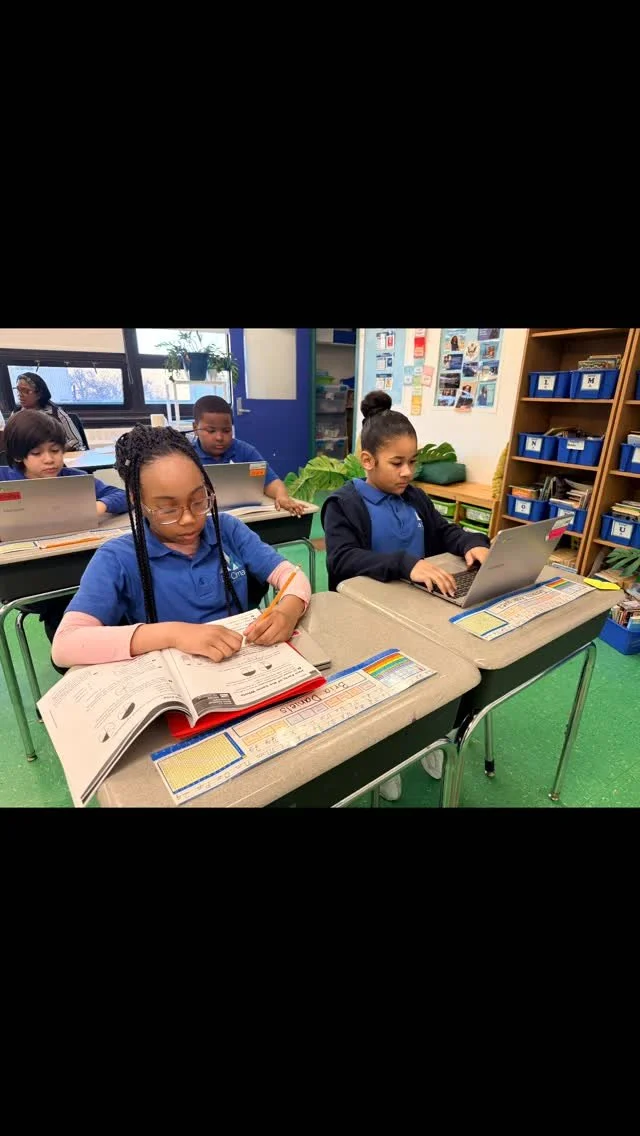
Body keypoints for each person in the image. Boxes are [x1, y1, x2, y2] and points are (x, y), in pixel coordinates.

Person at [321, 391, 490, 801]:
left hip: (419, 612)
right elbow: (342, 561)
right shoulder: (343, 504)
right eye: (397, 463)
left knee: (444, 668)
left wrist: (472, 543)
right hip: (366, 619)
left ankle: (432, 737)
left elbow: (444, 532)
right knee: (387, 687)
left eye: (412, 461)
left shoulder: (414, 497)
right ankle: (388, 757)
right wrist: (403, 563)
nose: (408, 472)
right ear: (367, 460)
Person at [51, 425, 311, 670]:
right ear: (136, 500)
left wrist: (288, 610)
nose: (188, 519)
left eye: (199, 501)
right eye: (168, 509)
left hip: (243, 665)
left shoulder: (227, 530)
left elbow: (291, 575)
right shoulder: (117, 558)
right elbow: (64, 645)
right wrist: (175, 634)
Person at [0, 411, 127, 643]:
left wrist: (96, 507)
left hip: (73, 569)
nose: (49, 459)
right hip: (27, 575)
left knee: (105, 591)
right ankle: (71, 645)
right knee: (64, 606)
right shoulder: (5, 481)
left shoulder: (73, 478)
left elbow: (123, 496)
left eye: (56, 450)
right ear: (18, 455)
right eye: (37, 453)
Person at [190, 396, 304, 516]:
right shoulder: (186, 456)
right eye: (211, 431)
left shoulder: (244, 451)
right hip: (203, 516)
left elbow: (270, 481)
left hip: (246, 516)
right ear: (195, 428)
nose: (219, 437)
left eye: (226, 431)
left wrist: (281, 496)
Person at [13, 373, 85, 451]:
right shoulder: (16, 414)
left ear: (39, 394)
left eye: (26, 391)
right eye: (18, 390)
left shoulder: (56, 413)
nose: (20, 395)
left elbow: (76, 441)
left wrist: (52, 452)